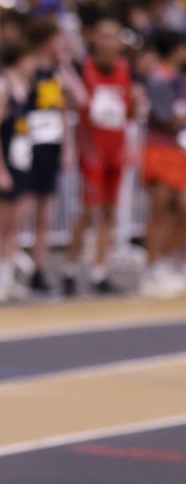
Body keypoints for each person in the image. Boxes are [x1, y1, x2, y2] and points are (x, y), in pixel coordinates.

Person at [62, 15, 136, 297]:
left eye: (113, 36)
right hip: (92, 149)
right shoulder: (84, 69)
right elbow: (72, 105)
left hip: (115, 149)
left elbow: (128, 111)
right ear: (94, 39)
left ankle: (100, 271)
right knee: (87, 210)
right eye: (104, 36)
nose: (109, 42)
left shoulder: (124, 70)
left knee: (109, 211)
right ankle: (70, 268)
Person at [24, 18, 81, 292]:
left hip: (50, 144)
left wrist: (67, 147)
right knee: (20, 208)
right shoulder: (29, 68)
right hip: (28, 143)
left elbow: (74, 103)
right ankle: (8, 264)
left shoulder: (59, 72)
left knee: (45, 212)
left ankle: (39, 266)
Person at [0, 38, 36, 303]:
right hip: (5, 160)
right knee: (0, 219)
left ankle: (5, 276)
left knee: (16, 219)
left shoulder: (26, 87)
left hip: (22, 158)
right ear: (20, 59)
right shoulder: (0, 87)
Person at [139, 29, 186, 298]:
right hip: (159, 148)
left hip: (176, 149)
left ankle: (167, 260)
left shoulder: (176, 77)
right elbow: (167, 116)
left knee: (180, 208)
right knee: (160, 210)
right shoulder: (160, 77)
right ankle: (153, 266)